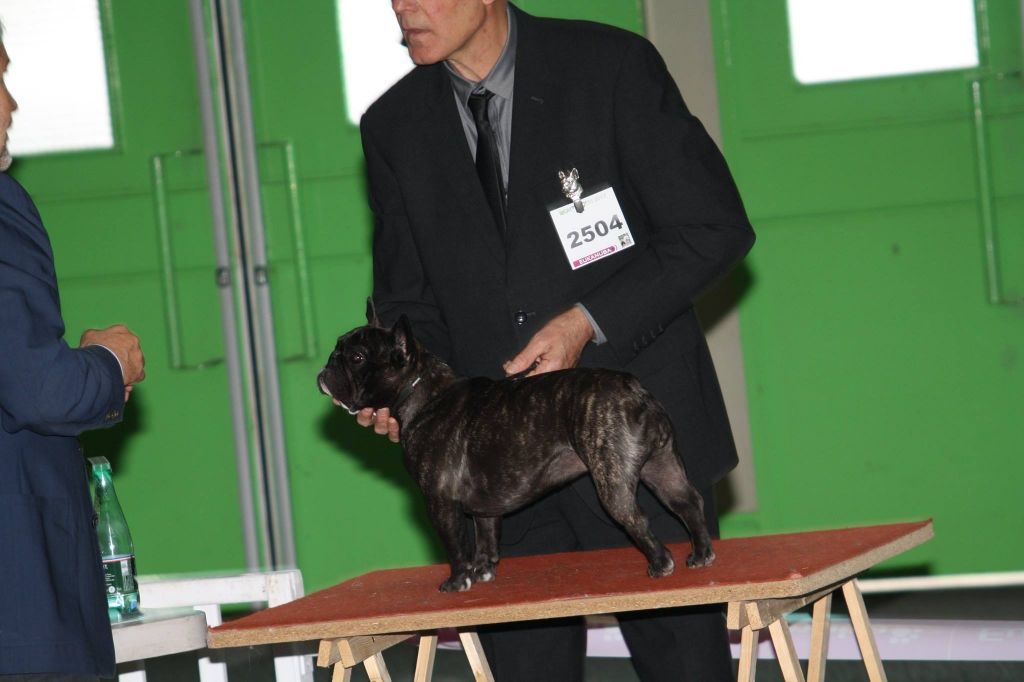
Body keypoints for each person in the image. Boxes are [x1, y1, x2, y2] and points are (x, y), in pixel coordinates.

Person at [358, 1, 754, 679]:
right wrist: (404, 390)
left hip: (625, 431)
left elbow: (711, 228)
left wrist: (587, 321)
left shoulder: (611, 67)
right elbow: (407, 301)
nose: (402, 5)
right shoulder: (392, 125)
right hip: (491, 469)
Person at [0, 29, 145, 681]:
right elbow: (40, 389)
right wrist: (109, 363)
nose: (11, 105)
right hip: (20, 611)